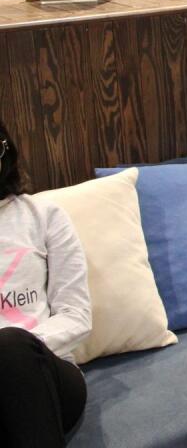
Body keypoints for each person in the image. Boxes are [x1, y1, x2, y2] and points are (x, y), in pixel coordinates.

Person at [0, 119, 92, 448]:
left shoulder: (42, 215)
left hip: (47, 376)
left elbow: (76, 315)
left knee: (9, 347)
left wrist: (25, 347)